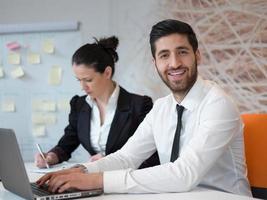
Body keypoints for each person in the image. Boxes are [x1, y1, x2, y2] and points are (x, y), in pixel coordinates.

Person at [37, 19, 252, 196]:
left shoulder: (218, 104)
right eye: (164, 55)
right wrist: (82, 170)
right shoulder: (161, 108)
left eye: (183, 52)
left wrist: (96, 180)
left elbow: (184, 174)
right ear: (155, 63)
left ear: (197, 56)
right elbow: (127, 157)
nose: (175, 63)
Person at [35, 36, 159, 169]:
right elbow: (67, 142)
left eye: (88, 80)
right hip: (93, 179)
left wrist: (109, 162)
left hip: (124, 180)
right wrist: (52, 156)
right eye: (79, 80)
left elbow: (153, 156)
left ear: (107, 72)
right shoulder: (79, 105)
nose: (83, 87)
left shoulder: (140, 106)